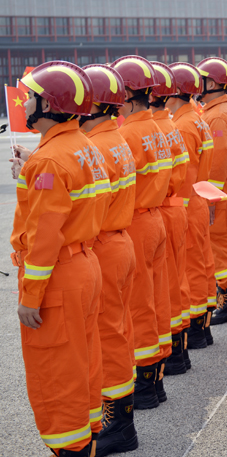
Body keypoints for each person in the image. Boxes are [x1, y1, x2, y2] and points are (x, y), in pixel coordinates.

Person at [11, 61, 108, 457]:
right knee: (84, 366)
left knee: (57, 375)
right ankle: (86, 442)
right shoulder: (82, 145)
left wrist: (30, 296)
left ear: (48, 104)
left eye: (31, 96)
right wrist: (30, 171)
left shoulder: (49, 160)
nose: (24, 102)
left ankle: (71, 448)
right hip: (84, 264)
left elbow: (44, 237)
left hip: (59, 277)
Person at [80, 64, 139, 457]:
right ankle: (122, 416)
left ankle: (119, 424)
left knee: (108, 336)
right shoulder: (115, 137)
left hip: (103, 244)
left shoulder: (98, 146)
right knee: (120, 328)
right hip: (121, 239)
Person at [111, 55, 173, 409]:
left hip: (135, 222)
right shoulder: (155, 127)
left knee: (138, 305)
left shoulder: (128, 133)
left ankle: (146, 384)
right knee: (156, 300)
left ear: (128, 95)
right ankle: (156, 378)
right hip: (155, 217)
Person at [168, 62, 216, 350]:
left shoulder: (183, 125)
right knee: (203, 262)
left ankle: (196, 327)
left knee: (191, 267)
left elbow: (185, 175)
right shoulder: (195, 119)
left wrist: (179, 212)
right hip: (197, 199)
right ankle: (203, 325)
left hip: (187, 203)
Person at [148, 62, 192, 377]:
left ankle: (168, 359)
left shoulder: (148, 129)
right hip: (173, 206)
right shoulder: (171, 126)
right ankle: (179, 351)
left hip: (158, 210)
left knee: (157, 292)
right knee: (177, 282)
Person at [196, 57, 227, 324]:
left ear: (212, 84)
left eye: (201, 80)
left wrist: (211, 198)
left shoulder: (217, 115)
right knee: (224, 240)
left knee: (222, 242)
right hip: (225, 182)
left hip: (220, 184)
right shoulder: (218, 110)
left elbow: (217, 161)